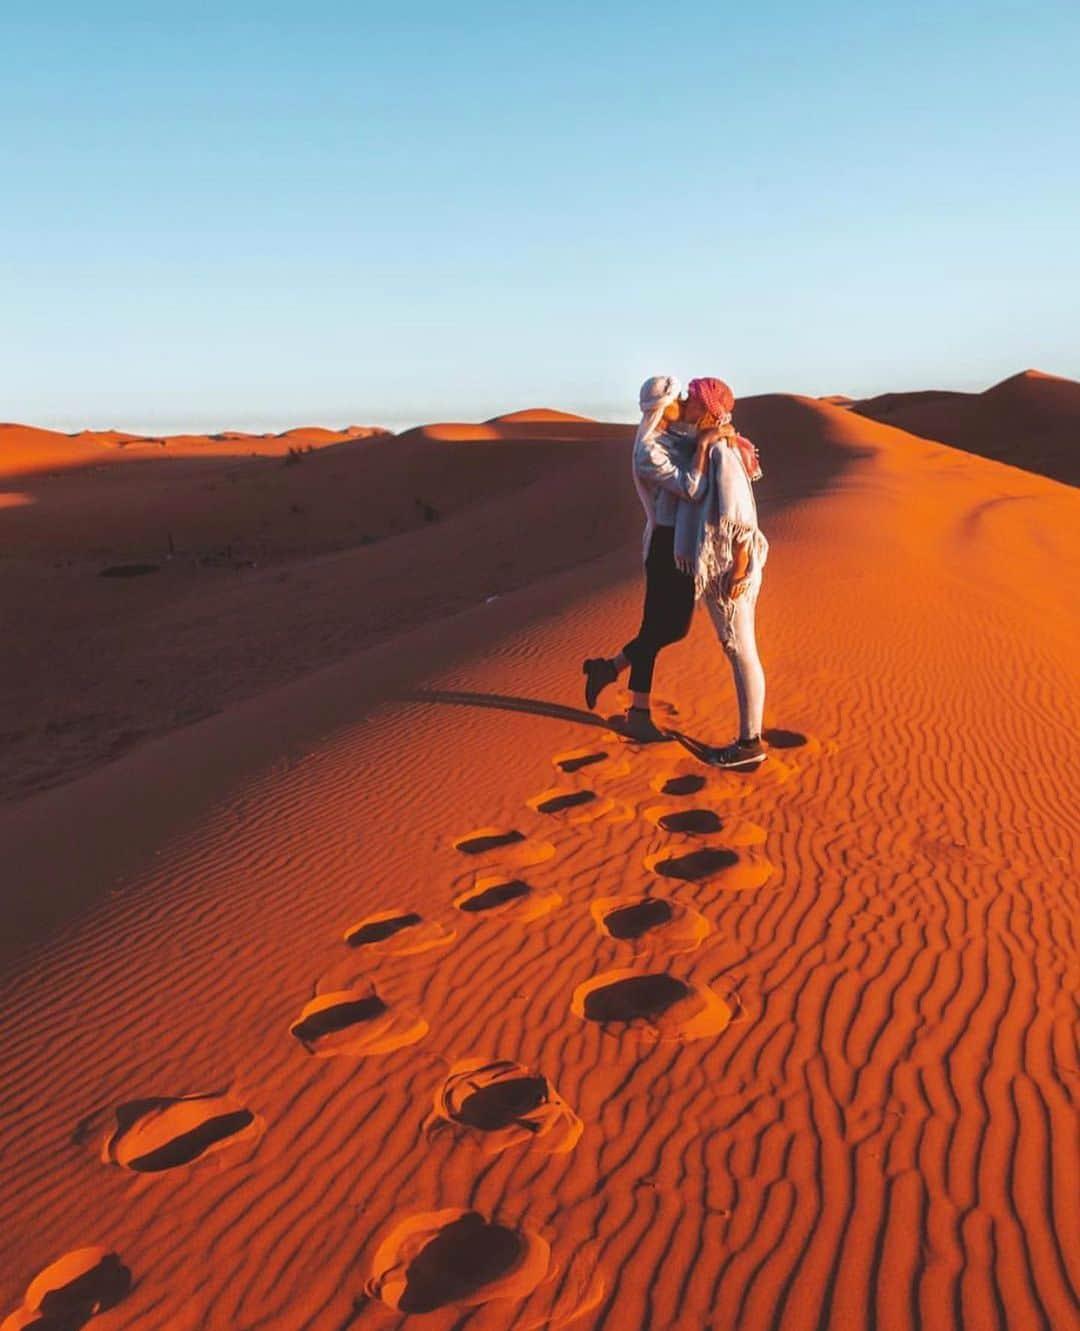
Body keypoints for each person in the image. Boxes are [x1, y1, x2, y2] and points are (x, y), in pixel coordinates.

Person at [582, 375, 723, 742]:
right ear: (663, 407)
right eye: (676, 398)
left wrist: (717, 426)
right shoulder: (648, 451)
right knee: (669, 629)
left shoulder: (670, 436)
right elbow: (691, 488)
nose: (681, 402)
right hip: (666, 546)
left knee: (662, 630)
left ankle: (618, 683)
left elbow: (702, 427)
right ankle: (631, 703)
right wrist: (706, 447)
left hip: (679, 543)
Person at [673, 377, 769, 767]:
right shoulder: (712, 445)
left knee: (740, 648)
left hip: (730, 567)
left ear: (708, 409)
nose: (685, 403)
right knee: (738, 648)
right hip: (725, 565)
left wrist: (740, 566)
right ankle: (750, 740)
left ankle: (749, 744)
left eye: (692, 400)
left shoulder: (722, 453)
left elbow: (740, 514)